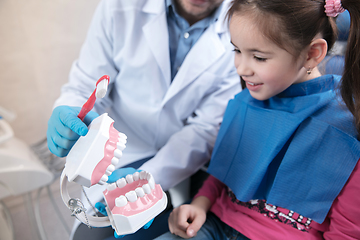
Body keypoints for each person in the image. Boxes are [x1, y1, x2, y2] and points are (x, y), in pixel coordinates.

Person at [155, 0, 360, 239]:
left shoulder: (345, 130)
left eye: (259, 58)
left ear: (312, 54)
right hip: (216, 225)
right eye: (237, 51)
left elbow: (346, 231)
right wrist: (199, 204)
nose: (242, 68)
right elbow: (226, 171)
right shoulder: (248, 101)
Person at [46, 0, 241, 239]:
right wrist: (71, 111)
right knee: (89, 235)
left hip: (185, 158)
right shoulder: (120, 6)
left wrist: (149, 176)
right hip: (119, 150)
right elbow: (88, 83)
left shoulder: (240, 26)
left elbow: (205, 130)